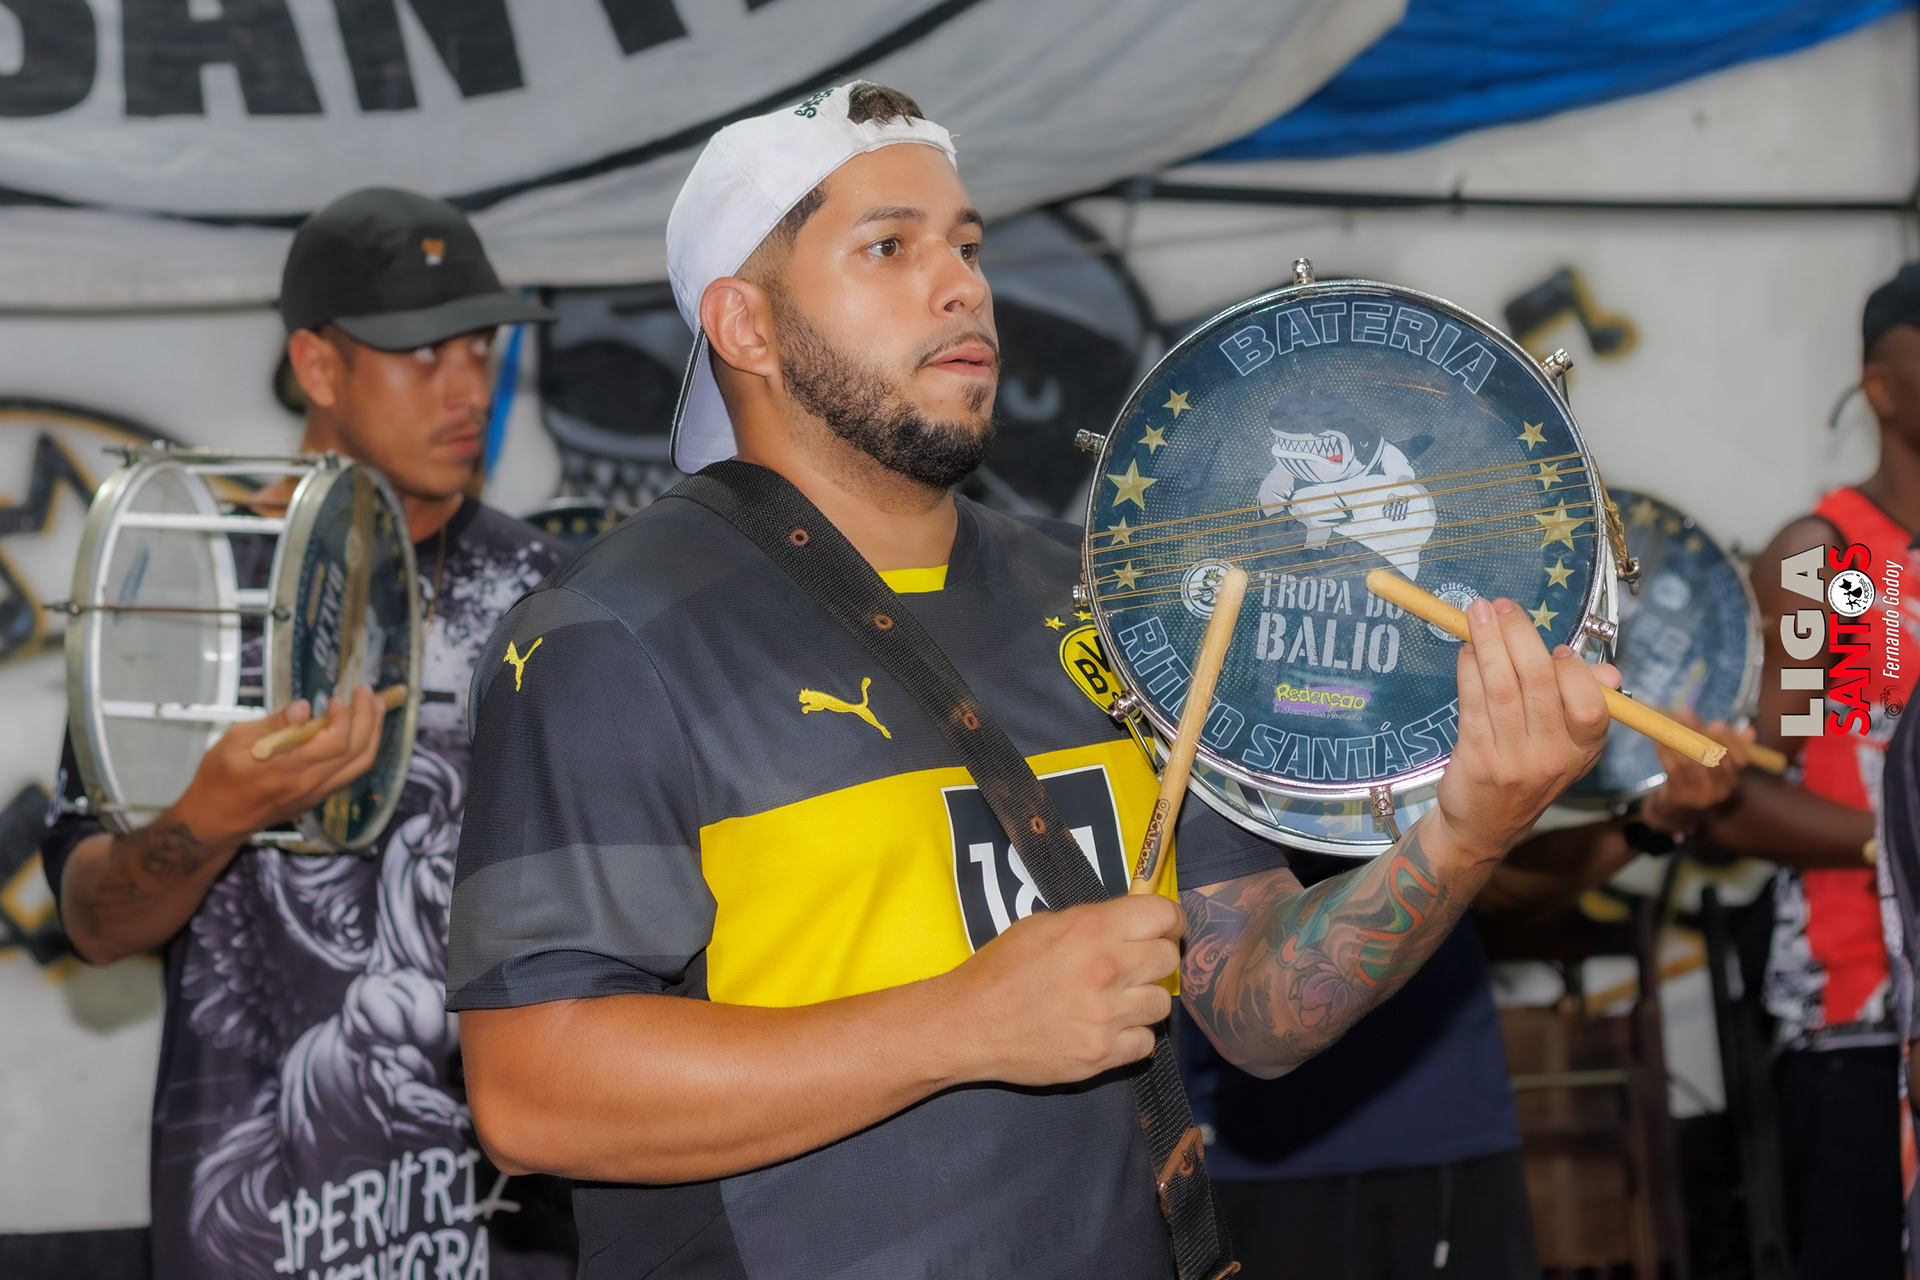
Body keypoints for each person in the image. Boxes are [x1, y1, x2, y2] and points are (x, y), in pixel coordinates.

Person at [445, 82, 1619, 1279]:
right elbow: (533, 1093)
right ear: (744, 325)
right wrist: (962, 1025)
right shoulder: (612, 633)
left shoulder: (1106, 596)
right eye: (889, 247)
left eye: (967, 246)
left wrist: (1468, 828)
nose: (961, 286)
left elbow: (1255, 1003)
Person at [39, 189, 574, 1280]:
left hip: (517, 1235)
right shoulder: (188, 585)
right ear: (319, 367)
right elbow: (94, 921)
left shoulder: (556, 594)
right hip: (259, 1236)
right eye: (422, 354)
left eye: (480, 347)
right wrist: (213, 816)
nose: (468, 388)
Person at [1186, 714, 1751, 1279]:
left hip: (1449, 1124)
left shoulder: (1430, 691)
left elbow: (1495, 885)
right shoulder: (1206, 704)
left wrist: (1654, 821)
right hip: (1248, 1146)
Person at [1686, 263, 1920, 1278]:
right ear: (1881, 386)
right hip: (1864, 1019)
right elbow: (1734, 794)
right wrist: (1900, 846)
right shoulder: (1825, 562)